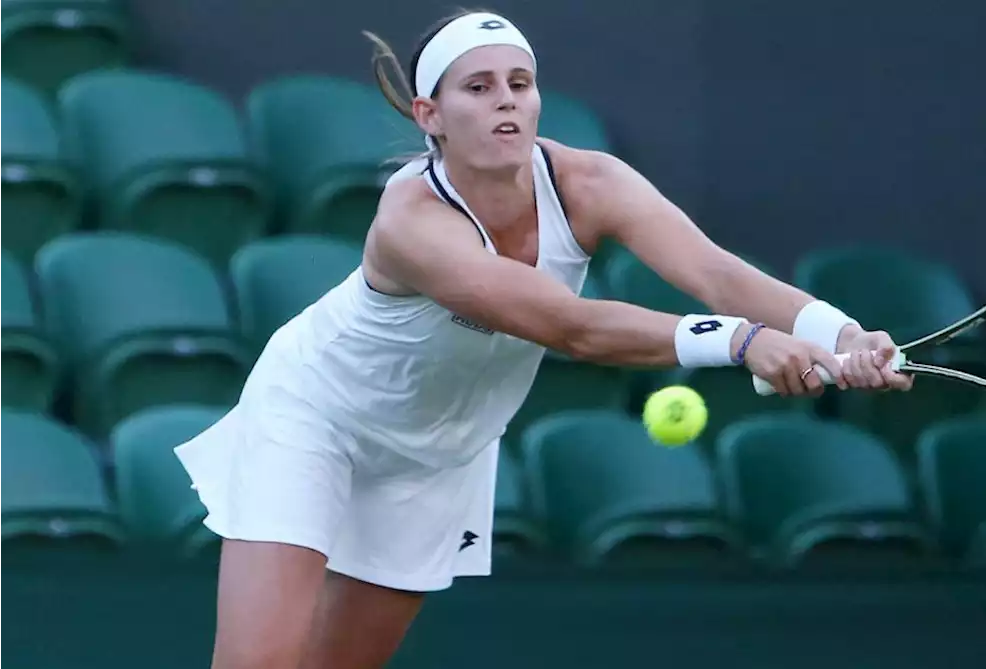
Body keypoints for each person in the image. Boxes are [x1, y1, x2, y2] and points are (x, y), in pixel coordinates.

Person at [174, 8, 914, 669]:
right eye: (480, 87)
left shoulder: (593, 183)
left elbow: (716, 273)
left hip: (441, 451)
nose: (506, 100)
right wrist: (744, 343)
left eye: (520, 83)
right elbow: (570, 325)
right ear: (430, 114)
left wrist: (843, 333)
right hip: (315, 417)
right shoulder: (413, 223)